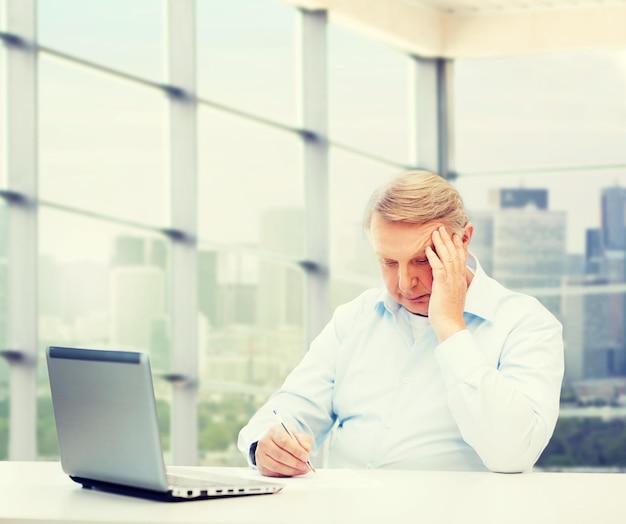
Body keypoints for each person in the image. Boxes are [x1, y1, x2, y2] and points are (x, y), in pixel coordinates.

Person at [237, 170, 564, 477]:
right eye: (389, 262)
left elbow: (512, 455)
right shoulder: (355, 318)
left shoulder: (526, 324)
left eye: (423, 260)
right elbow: (290, 409)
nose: (405, 283)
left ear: (463, 240)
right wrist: (265, 445)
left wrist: (450, 326)